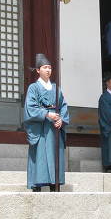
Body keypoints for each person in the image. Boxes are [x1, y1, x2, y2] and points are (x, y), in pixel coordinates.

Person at [23, 54, 69, 192]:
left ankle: (54, 184)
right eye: (45, 67)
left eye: (50, 67)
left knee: (55, 155)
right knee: (40, 156)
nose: (48, 70)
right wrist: (47, 114)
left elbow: (63, 106)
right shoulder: (33, 88)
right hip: (41, 128)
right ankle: (38, 185)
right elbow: (30, 108)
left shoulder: (56, 89)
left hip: (54, 128)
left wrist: (61, 119)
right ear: (38, 70)